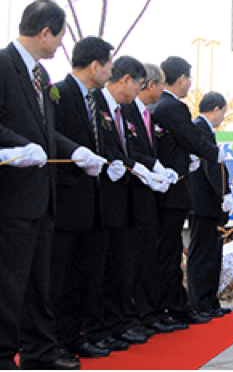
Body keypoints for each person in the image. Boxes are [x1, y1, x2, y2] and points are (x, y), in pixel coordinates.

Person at [0, 0, 104, 370]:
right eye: (59, 36)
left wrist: (76, 152)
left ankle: (38, 350)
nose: (61, 44)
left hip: (43, 198)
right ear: (45, 32)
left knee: (36, 283)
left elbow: (46, 135)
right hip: (12, 198)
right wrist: (13, 147)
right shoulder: (2, 65)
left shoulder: (40, 77)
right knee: (9, 284)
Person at [52, 36, 115, 358]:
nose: (110, 72)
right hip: (65, 201)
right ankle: (54, 342)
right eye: (109, 65)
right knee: (60, 277)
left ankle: (74, 336)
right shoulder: (58, 93)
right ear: (95, 65)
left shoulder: (94, 100)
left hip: (91, 202)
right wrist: (77, 156)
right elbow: (50, 137)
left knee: (82, 276)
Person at [85, 56, 154, 350]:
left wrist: (149, 168)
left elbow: (130, 148)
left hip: (124, 198)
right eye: (137, 85)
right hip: (100, 199)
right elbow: (104, 148)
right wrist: (128, 165)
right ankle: (98, 327)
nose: (137, 93)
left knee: (119, 268)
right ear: (126, 80)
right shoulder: (96, 104)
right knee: (99, 270)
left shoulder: (121, 111)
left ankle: (115, 324)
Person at [151, 56, 221, 328]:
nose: (190, 85)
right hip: (172, 190)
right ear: (180, 79)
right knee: (168, 253)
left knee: (168, 252)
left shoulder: (158, 106)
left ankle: (174, 307)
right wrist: (217, 154)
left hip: (166, 189)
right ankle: (173, 308)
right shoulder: (173, 108)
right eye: (189, 79)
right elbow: (192, 140)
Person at [121, 63, 177, 334]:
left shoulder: (149, 115)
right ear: (150, 85)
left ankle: (147, 312)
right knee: (133, 259)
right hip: (130, 196)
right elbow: (129, 148)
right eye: (161, 84)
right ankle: (135, 314)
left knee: (146, 257)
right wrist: (150, 165)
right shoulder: (128, 110)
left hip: (148, 198)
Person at [187, 91, 233, 317]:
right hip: (202, 203)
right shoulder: (199, 128)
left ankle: (210, 301)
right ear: (216, 109)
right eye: (223, 111)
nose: (223, 117)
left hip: (209, 205)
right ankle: (200, 303)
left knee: (212, 253)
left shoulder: (206, 130)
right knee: (202, 255)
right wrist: (224, 194)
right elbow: (210, 166)